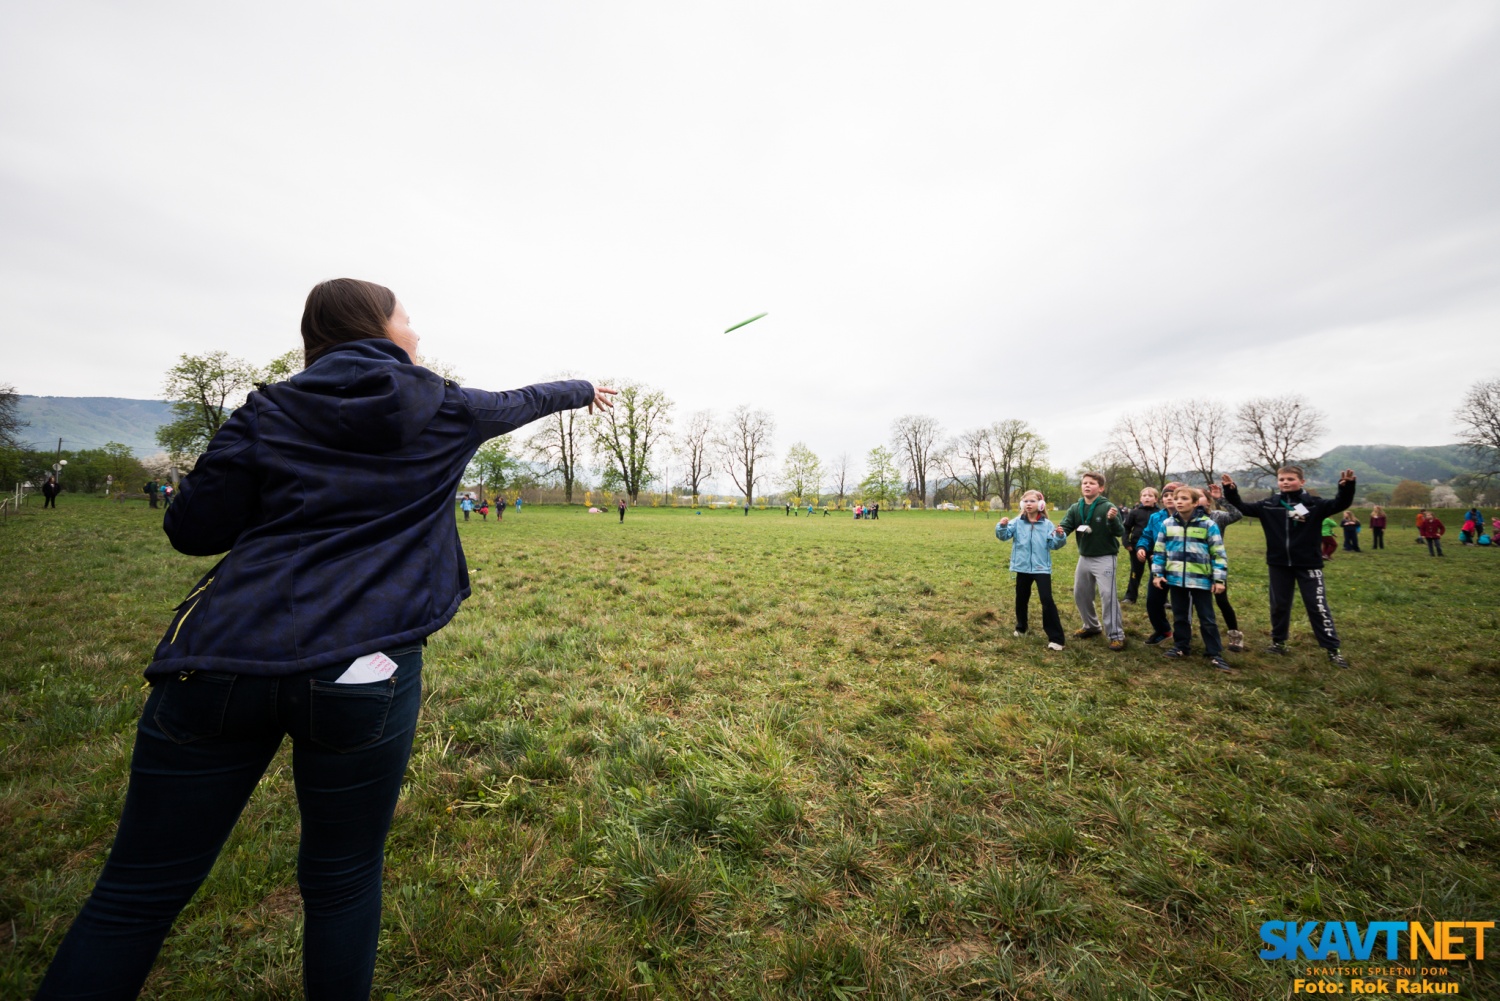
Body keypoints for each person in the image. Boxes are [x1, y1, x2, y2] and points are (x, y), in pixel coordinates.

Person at [33, 278, 615, 1001]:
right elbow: (524, 399)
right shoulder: (447, 406)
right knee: (342, 880)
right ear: (378, 326)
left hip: (223, 659)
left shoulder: (268, 411)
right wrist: (587, 386)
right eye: (408, 316)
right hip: (363, 670)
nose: (418, 332)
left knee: (135, 894)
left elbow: (192, 529)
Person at [1221, 466, 1356, 668]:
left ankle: (1332, 650)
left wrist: (1346, 488)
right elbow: (1241, 506)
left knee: (1317, 606)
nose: (1285, 482)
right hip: (1278, 564)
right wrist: (1230, 490)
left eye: (1290, 479)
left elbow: (1341, 503)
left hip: (1308, 564)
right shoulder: (1269, 505)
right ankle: (1279, 643)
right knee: (1279, 606)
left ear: (1302, 482)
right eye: (1281, 479)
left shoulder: (1314, 505)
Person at [1152, 485, 1232, 672]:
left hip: (1201, 580)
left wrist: (1219, 579)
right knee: (1180, 616)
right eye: (1177, 498)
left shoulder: (1208, 525)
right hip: (1176, 579)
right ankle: (1181, 646)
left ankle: (1214, 653)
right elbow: (1159, 552)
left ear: (1196, 503)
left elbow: (1218, 554)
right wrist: (1158, 574)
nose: (1179, 501)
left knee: (1207, 618)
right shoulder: (1168, 525)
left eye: (1185, 499)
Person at [1055, 471, 1126, 651]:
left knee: (1108, 596)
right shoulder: (1075, 507)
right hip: (1084, 557)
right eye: (1084, 483)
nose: (1087, 485)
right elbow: (1066, 525)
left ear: (1100, 488)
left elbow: (1119, 532)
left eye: (1092, 483)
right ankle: (1092, 626)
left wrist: (1111, 520)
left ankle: (1116, 635)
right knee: (1081, 593)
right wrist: (1061, 530)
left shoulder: (1107, 507)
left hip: (1105, 557)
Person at [995, 490, 1069, 650]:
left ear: (1041, 505)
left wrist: (1060, 537)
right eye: (1026, 501)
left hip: (1041, 568)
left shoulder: (1047, 525)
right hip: (1022, 567)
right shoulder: (1016, 522)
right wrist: (1001, 526)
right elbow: (1003, 536)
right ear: (1022, 504)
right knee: (1021, 598)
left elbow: (1053, 545)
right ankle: (1021, 628)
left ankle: (1056, 638)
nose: (1029, 504)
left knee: (1047, 600)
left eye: (1032, 501)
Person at [1134, 481, 1185, 646]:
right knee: (1153, 602)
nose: (1170, 498)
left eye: (1173, 495)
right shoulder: (1156, 517)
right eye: (1166, 495)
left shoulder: (1188, 517)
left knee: (1180, 606)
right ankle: (1163, 630)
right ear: (1162, 499)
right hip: (1160, 567)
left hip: (1182, 568)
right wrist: (1142, 547)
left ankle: (1183, 638)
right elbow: (1147, 535)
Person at [1200, 484, 1245, 652]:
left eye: (1200, 496)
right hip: (1194, 565)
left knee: (1221, 600)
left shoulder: (1217, 516)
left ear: (1208, 500)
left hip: (1215, 565)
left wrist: (1221, 499)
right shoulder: (1186, 517)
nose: (1196, 499)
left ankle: (1235, 634)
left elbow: (1237, 514)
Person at [1120, 486, 1160, 604]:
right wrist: (1126, 542)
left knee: (1157, 572)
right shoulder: (1134, 512)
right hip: (1137, 547)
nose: (1147, 498)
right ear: (1140, 498)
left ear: (1156, 499)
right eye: (1144, 496)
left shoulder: (1160, 514)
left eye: (1150, 496)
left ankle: (1161, 599)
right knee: (1135, 572)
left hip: (1155, 548)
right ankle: (1130, 596)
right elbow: (1126, 528)